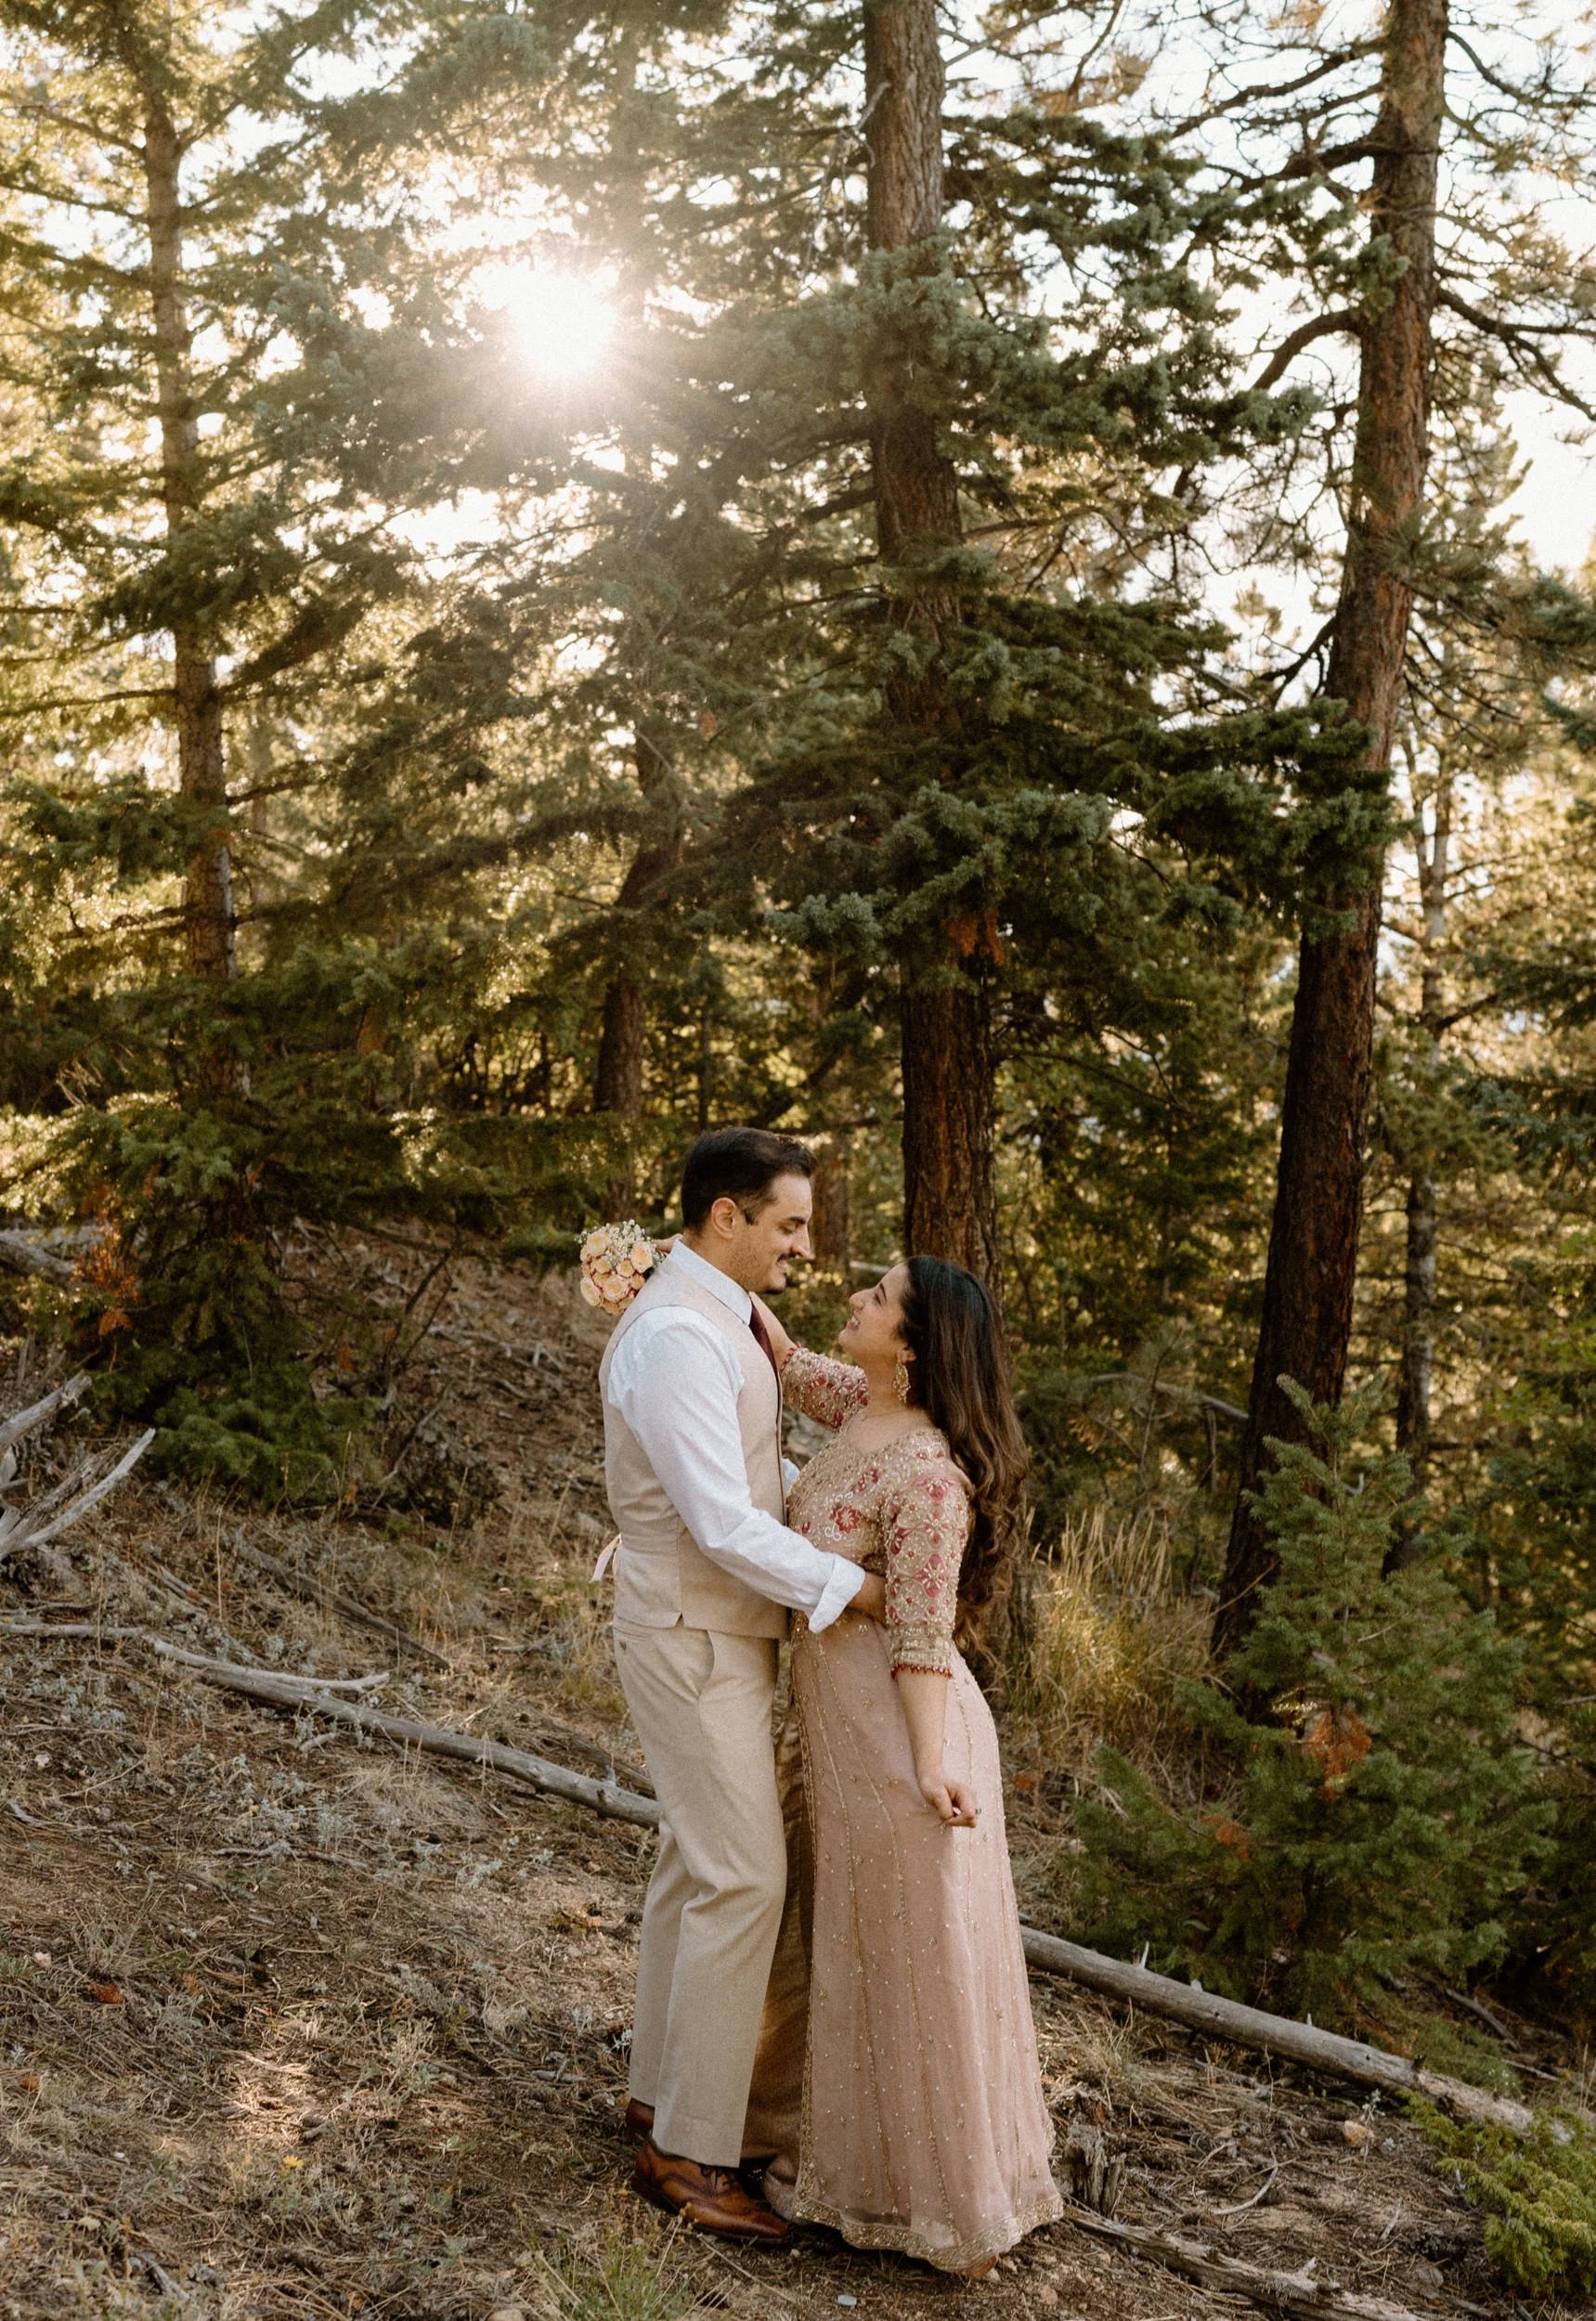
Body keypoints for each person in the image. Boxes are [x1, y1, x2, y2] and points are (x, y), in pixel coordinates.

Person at [599, 1126, 887, 2243]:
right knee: (744, 1879)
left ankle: (659, 2092)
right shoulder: (676, 1334)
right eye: (790, 1224)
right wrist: (850, 1587)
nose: (806, 1247)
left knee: (695, 1863)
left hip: (716, 1629)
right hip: (688, 1630)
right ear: (728, 1215)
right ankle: (689, 2150)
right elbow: (719, 1522)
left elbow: (749, 1471)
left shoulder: (720, 1315)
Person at [750, 1257, 1064, 2276]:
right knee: (855, 1950)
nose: (854, 1297)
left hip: (900, 1738)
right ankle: (860, 2168)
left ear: (916, 1344)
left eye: (877, 1297)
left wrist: (931, 1767)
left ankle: (941, 2205)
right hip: (842, 1735)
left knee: (908, 1963)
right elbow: (793, 1361)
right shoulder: (864, 1403)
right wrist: (694, 1278)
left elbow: (925, 1633)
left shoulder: (928, 1471)